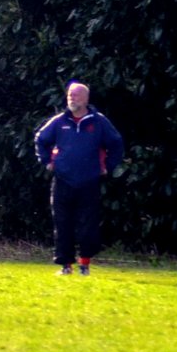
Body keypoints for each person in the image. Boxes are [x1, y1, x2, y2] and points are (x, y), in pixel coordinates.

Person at [34, 81, 124, 275]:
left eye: (75, 95)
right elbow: (40, 139)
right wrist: (46, 161)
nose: (71, 98)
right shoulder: (59, 121)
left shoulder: (98, 121)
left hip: (89, 181)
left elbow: (116, 144)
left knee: (88, 225)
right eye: (69, 95)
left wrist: (107, 166)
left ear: (86, 99)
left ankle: (85, 264)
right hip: (62, 181)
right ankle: (65, 265)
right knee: (62, 224)